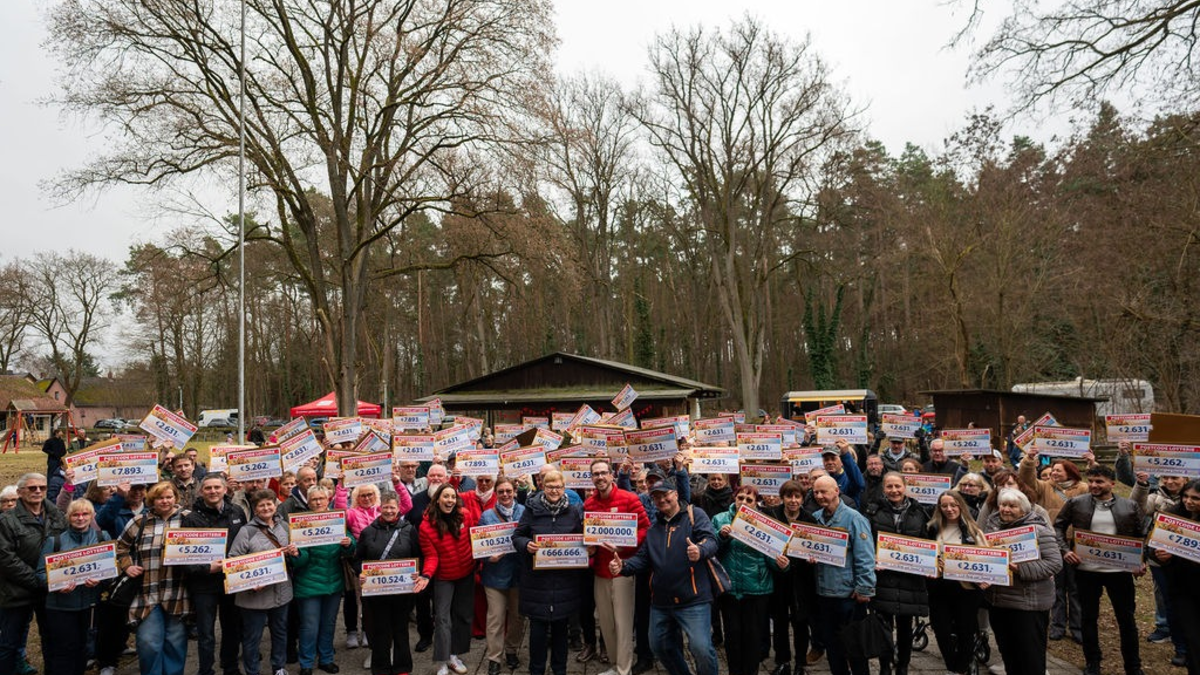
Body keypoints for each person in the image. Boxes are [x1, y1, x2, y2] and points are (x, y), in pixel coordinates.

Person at [610, 478, 719, 675]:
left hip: (693, 599)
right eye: (656, 497)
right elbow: (643, 559)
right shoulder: (653, 529)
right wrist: (623, 566)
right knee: (659, 646)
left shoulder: (695, 515)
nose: (662, 500)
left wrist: (700, 550)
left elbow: (711, 540)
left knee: (701, 649)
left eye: (665, 494)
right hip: (661, 602)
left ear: (675, 494)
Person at [1055, 464, 1148, 675]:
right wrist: (1064, 550)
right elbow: (1058, 527)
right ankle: (1092, 663)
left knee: (1127, 621)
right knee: (1088, 618)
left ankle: (1133, 666)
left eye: (1100, 482)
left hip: (1120, 573)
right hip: (1086, 571)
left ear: (1111, 484)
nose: (1094, 485)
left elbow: (1142, 535)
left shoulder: (1129, 506)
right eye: (1092, 481)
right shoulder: (1076, 503)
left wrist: (1140, 560)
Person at [980, 488, 1062, 674]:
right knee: (1009, 655)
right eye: (1002, 505)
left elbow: (1054, 564)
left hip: (1028, 605)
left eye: (1012, 506)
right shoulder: (992, 529)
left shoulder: (1039, 531)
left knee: (1030, 659)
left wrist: (1020, 568)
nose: (1005, 509)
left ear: (1024, 510)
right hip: (999, 603)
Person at [712, 485, 789, 675]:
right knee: (732, 637)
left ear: (756, 503)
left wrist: (782, 564)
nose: (744, 502)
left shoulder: (765, 524)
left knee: (753, 639)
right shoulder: (720, 519)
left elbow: (773, 557)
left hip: (757, 590)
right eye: (741, 498)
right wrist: (721, 536)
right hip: (730, 589)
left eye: (749, 500)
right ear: (734, 499)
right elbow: (710, 550)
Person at [583, 458, 650, 675]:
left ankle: (624, 669)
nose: (600, 477)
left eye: (603, 473)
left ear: (612, 475)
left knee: (623, 623)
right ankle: (615, 664)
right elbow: (588, 536)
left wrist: (622, 546)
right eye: (596, 474)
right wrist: (589, 548)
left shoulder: (629, 498)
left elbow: (645, 530)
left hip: (623, 570)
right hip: (600, 571)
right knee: (605, 622)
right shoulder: (589, 504)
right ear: (591, 478)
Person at [116, 481, 190, 675]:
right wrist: (127, 566)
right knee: (149, 643)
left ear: (176, 498)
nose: (164, 501)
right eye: (159, 498)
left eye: (169, 497)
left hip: (178, 592)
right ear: (151, 499)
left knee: (175, 643)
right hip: (146, 592)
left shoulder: (188, 519)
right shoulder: (139, 522)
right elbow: (120, 547)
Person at [513, 470, 584, 675]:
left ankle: (559, 670)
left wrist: (588, 548)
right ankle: (536, 670)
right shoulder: (531, 509)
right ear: (543, 487)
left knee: (561, 631)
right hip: (537, 583)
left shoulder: (574, 512)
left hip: (565, 582)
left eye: (558, 487)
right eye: (550, 486)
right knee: (538, 632)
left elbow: (584, 539)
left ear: (564, 489)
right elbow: (518, 536)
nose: (554, 490)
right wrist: (526, 544)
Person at [0, 473, 67, 675]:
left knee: (52, 640)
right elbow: (5, 558)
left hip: (49, 590)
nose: (38, 491)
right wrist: (37, 579)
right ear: (20, 493)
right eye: (32, 488)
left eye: (42, 487)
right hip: (17, 592)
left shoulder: (56, 515)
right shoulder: (6, 520)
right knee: (9, 644)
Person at [863, 472, 930, 675]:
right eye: (889, 487)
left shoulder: (919, 512)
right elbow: (867, 543)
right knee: (883, 626)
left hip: (910, 578)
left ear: (905, 486)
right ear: (884, 489)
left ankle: (903, 665)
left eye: (897, 486)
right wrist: (873, 559)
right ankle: (885, 665)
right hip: (883, 578)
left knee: (905, 628)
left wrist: (926, 564)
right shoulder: (873, 511)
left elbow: (927, 543)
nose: (894, 491)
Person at [809, 475, 875, 675]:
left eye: (824, 491)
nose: (820, 496)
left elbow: (865, 556)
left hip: (848, 594)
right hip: (824, 592)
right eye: (816, 492)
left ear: (836, 491)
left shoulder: (854, 518)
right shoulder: (815, 518)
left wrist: (864, 588)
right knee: (833, 649)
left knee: (854, 649)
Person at [229, 489, 300, 675]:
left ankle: (279, 667)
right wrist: (251, 581)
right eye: (261, 505)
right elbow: (233, 560)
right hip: (254, 594)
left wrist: (294, 553)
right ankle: (252, 671)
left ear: (275, 505)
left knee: (280, 632)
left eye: (269, 504)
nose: (266, 507)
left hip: (281, 591)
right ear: (255, 508)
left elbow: (295, 558)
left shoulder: (284, 527)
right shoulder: (247, 531)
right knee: (253, 637)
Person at [183, 474, 247, 675]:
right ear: (201, 491)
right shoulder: (191, 519)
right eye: (208, 488)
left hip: (232, 581)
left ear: (225, 489)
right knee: (206, 633)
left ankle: (230, 666)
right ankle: (206, 670)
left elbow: (246, 543)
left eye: (217, 487)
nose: (213, 491)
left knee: (232, 628)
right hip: (204, 585)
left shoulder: (236, 512)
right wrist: (205, 568)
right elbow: (183, 557)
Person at [356, 492, 426, 675]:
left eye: (392, 507)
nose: (388, 511)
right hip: (376, 592)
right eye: (385, 507)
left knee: (401, 630)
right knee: (380, 632)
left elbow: (419, 555)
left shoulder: (409, 530)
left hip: (402, 592)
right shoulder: (368, 532)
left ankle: (403, 668)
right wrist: (361, 573)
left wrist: (418, 571)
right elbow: (357, 559)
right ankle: (381, 669)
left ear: (398, 509)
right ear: (380, 508)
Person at [36, 498, 108, 675]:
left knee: (84, 651)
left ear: (92, 516)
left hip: (90, 605)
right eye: (76, 514)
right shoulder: (55, 542)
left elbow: (110, 570)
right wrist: (56, 585)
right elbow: (39, 574)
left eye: (85, 514)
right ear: (69, 517)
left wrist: (101, 580)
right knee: (64, 652)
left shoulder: (102, 537)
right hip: (61, 607)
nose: (81, 518)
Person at [293, 485, 355, 675]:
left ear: (328, 499)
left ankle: (326, 659)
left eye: (321, 498)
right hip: (308, 584)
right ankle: (306, 663)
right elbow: (300, 561)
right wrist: (296, 554)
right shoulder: (301, 524)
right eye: (314, 499)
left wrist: (348, 543)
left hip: (333, 583)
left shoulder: (337, 520)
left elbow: (351, 547)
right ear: (308, 502)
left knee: (328, 624)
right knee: (309, 626)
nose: (318, 502)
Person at [419, 483, 481, 675]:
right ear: (437, 499)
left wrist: (485, 557)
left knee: (462, 616)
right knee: (443, 619)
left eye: (453, 497)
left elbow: (475, 540)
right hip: (444, 577)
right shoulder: (426, 526)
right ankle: (442, 661)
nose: (450, 501)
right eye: (446, 497)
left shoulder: (466, 515)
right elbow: (431, 556)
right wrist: (426, 574)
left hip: (466, 574)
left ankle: (455, 655)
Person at [926, 490, 985, 675]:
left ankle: (960, 669)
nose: (949, 509)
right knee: (941, 630)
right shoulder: (931, 528)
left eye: (953, 505)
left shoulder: (974, 530)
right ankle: (953, 666)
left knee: (965, 631)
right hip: (939, 588)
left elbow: (987, 559)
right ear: (939, 508)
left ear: (961, 506)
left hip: (966, 589)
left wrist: (986, 579)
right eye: (944, 506)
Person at [1133, 469, 1188, 665]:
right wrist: (1141, 486)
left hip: (1191, 562)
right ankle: (1181, 647)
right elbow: (1137, 509)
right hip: (1161, 560)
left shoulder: (1193, 499)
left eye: (1175, 477)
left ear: (1186, 479)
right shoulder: (1155, 498)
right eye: (1166, 477)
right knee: (1171, 602)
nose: (1170, 481)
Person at [765, 479, 818, 675]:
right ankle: (782, 661)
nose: (793, 500)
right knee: (779, 622)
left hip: (802, 580)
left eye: (797, 496)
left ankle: (800, 664)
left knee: (801, 623)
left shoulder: (810, 520)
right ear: (783, 498)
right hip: (778, 578)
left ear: (803, 499)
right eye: (789, 496)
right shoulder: (772, 516)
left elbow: (815, 547)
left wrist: (813, 559)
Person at [1152, 479, 1200, 675]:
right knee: (1192, 639)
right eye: (1186, 496)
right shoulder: (1171, 518)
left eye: (1196, 498)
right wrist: (1161, 557)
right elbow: (1153, 549)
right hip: (1183, 590)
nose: (1189, 501)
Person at [479, 477, 525, 675]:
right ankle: (494, 657)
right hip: (495, 575)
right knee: (495, 618)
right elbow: (480, 546)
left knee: (517, 616)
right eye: (501, 492)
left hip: (519, 573)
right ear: (496, 493)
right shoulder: (487, 515)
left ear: (514, 491)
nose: (505, 495)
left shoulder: (524, 512)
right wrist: (489, 557)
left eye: (508, 491)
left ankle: (512, 650)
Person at [821, 440, 865, 507]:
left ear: (842, 462)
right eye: (826, 459)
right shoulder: (821, 479)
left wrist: (845, 454)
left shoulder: (848, 478)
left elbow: (859, 484)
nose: (829, 462)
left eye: (833, 459)